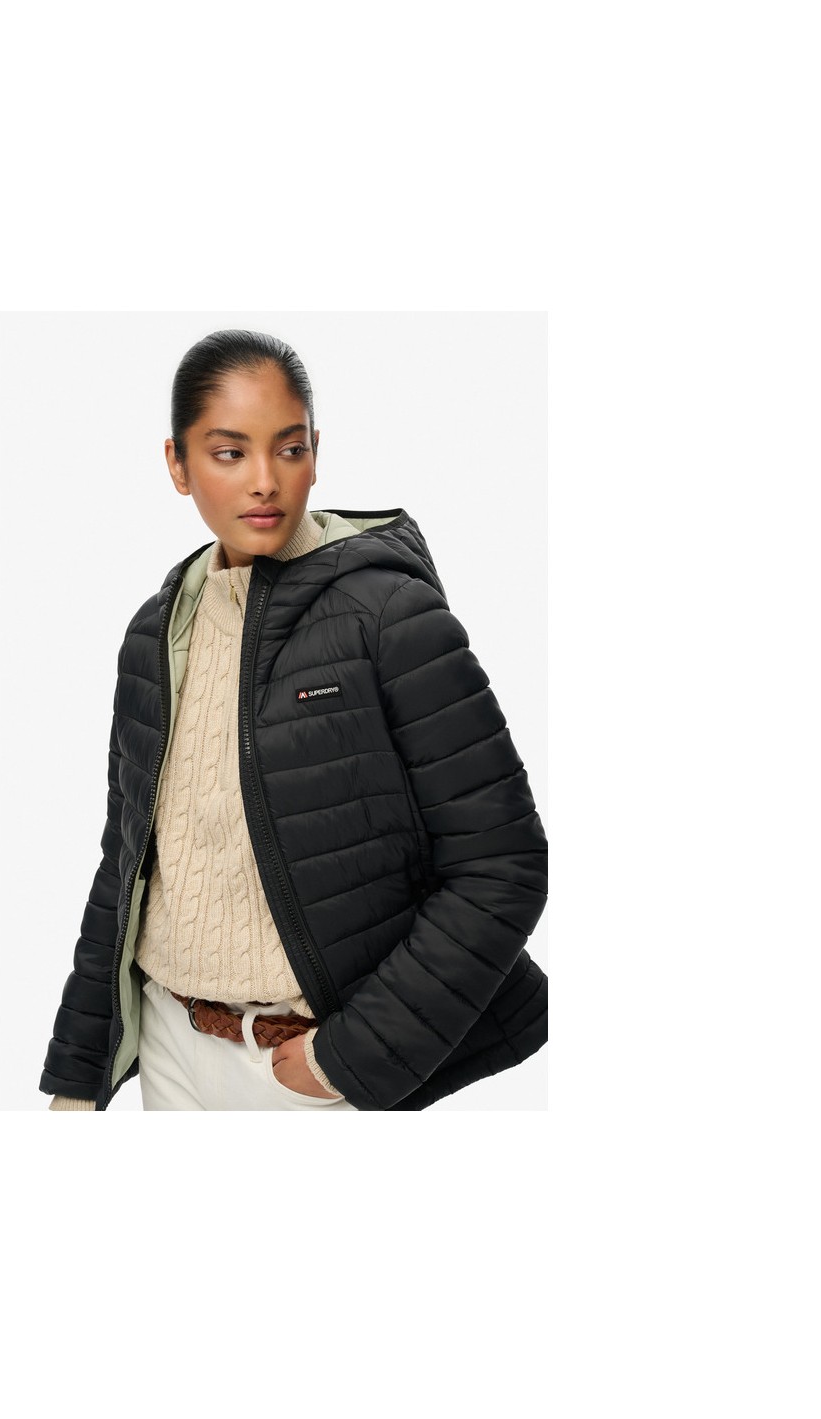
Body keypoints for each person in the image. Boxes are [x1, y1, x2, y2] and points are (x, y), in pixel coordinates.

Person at [40, 328, 548, 1111]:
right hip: (173, 1046)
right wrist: (77, 1076)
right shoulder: (156, 635)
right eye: (229, 452)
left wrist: (349, 1059)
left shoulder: (389, 615)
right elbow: (127, 864)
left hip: (310, 1066)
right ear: (178, 464)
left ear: (315, 452)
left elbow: (502, 864)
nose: (265, 481)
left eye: (289, 448)